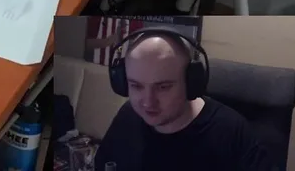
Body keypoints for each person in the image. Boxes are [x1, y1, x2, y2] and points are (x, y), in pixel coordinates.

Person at [96, 32, 276, 171]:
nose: (148, 103)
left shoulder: (232, 132)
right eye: (136, 86)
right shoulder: (128, 115)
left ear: (191, 83)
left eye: (163, 87)